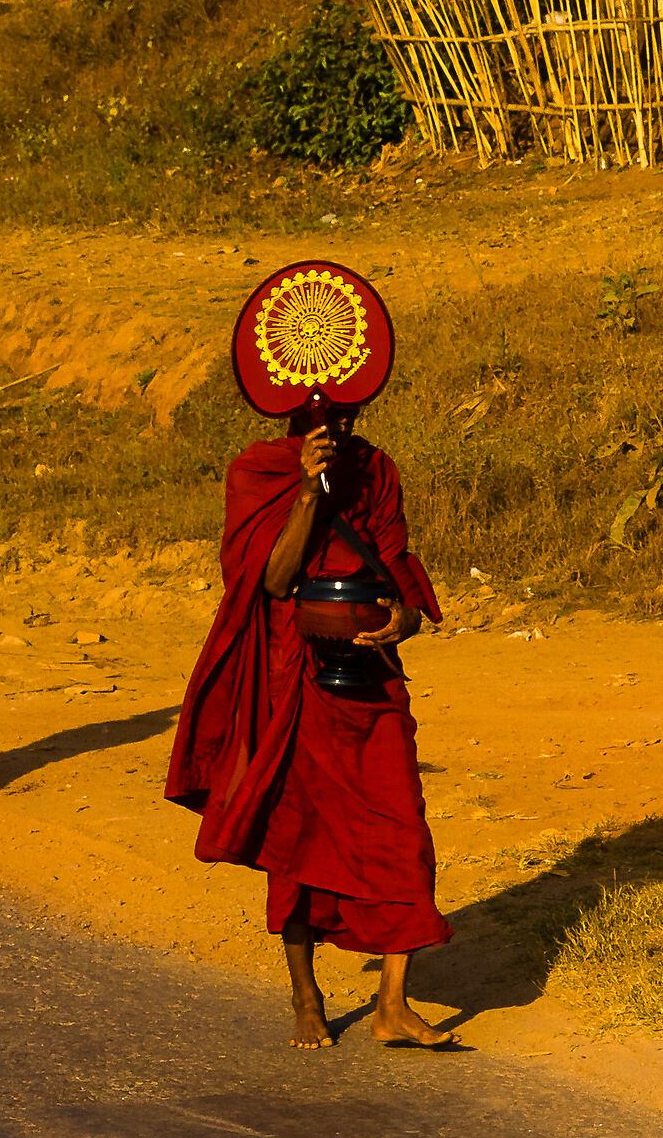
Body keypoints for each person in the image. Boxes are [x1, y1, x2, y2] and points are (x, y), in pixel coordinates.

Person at [165, 414, 458, 1051]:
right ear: (291, 413)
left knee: (400, 824)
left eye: (348, 413)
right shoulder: (258, 470)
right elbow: (271, 578)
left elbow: (395, 556)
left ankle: (392, 1004)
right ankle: (306, 995)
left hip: (371, 673)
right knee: (297, 832)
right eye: (325, 416)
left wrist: (406, 617)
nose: (339, 424)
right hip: (291, 671)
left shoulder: (376, 470)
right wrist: (307, 488)